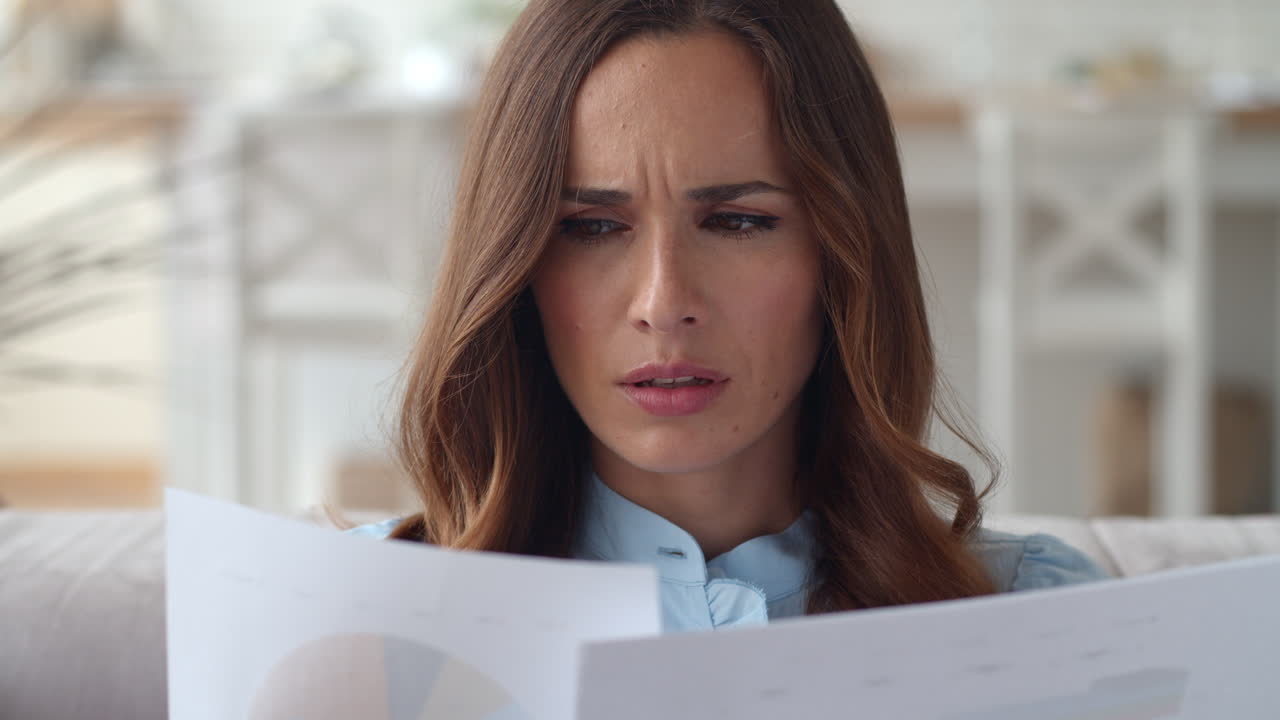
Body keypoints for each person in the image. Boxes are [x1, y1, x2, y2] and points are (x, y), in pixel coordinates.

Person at [345, 0, 1110, 632]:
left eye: (738, 222)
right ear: (516, 268)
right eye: (590, 228)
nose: (663, 304)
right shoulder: (363, 615)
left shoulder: (1033, 616)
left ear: (843, 255)